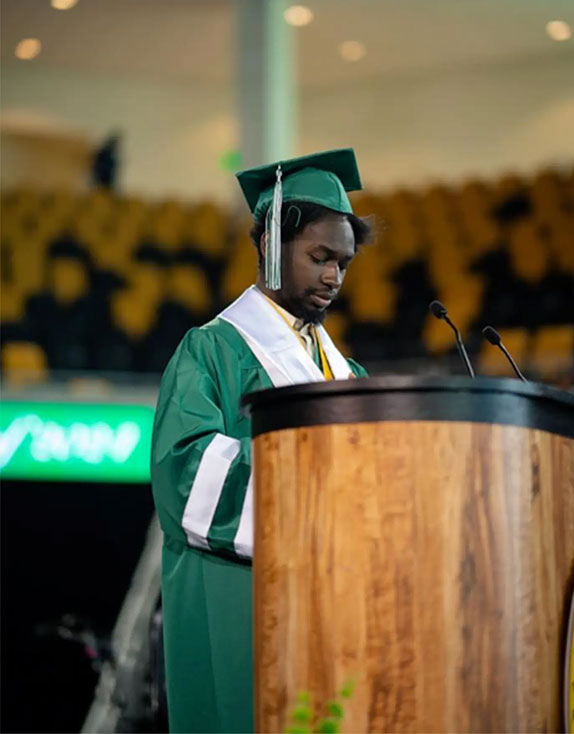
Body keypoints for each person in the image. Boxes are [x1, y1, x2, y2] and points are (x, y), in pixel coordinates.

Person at [151, 148, 372, 733]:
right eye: (319, 256)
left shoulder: (346, 373)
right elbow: (186, 472)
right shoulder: (212, 351)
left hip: (333, 612)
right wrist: (317, 475)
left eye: (343, 264)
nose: (333, 277)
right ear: (272, 246)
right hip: (245, 603)